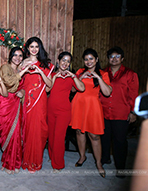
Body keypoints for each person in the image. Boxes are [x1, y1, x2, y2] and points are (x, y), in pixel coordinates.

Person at [70, 48, 112, 178]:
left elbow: (107, 92)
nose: (88, 61)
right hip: (79, 104)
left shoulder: (103, 73)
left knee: (95, 136)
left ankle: (98, 163)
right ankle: (82, 157)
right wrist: (81, 77)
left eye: (91, 58)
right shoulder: (80, 71)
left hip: (93, 107)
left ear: (96, 59)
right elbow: (72, 89)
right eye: (86, 59)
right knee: (79, 132)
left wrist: (98, 78)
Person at [100, 46, 139, 178]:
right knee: (104, 138)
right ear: (108, 58)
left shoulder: (130, 74)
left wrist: (133, 112)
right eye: (112, 56)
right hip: (104, 111)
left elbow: (134, 95)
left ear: (122, 58)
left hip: (121, 113)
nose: (114, 59)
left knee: (120, 141)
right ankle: (105, 158)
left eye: (117, 57)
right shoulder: (103, 72)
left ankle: (121, 167)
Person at [47, 52, 85, 173]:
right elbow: (48, 89)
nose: (65, 63)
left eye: (68, 61)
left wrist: (72, 76)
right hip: (50, 109)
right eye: (63, 60)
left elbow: (82, 88)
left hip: (64, 111)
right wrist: (55, 76)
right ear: (58, 61)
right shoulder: (52, 74)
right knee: (51, 136)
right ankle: (53, 157)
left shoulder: (71, 77)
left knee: (59, 137)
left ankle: (58, 164)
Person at [20, 37, 54, 173]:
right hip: (26, 101)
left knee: (39, 130)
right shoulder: (23, 62)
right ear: (27, 48)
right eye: (31, 46)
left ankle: (36, 161)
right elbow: (19, 82)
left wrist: (40, 71)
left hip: (40, 102)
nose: (34, 49)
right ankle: (27, 160)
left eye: (36, 47)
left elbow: (49, 86)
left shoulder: (45, 64)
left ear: (40, 48)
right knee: (27, 129)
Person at [0, 47, 30, 174]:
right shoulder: (5, 68)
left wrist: (22, 91)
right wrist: (22, 72)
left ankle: (14, 162)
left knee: (16, 134)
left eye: (20, 56)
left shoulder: (21, 70)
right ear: (11, 56)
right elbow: (8, 83)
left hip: (17, 103)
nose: (17, 58)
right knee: (6, 133)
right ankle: (7, 161)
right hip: (5, 102)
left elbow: (25, 86)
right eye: (15, 55)